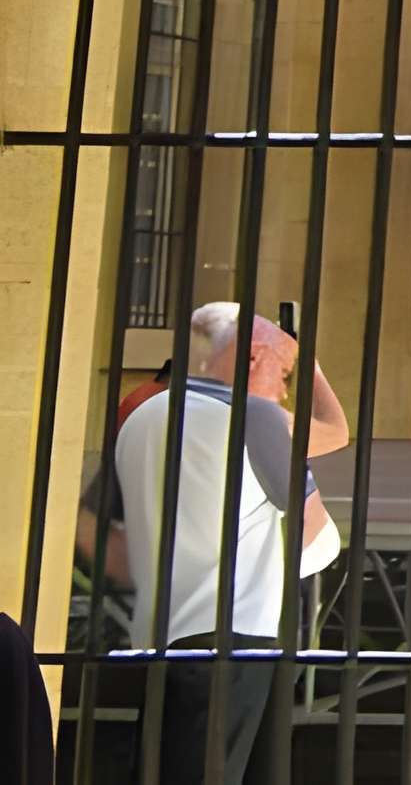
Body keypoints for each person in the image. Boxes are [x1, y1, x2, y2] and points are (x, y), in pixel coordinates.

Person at [80, 304, 347, 782]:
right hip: (236, 635)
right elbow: (318, 537)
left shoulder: (141, 411)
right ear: (250, 360)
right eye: (283, 373)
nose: (285, 391)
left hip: (163, 635)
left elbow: (91, 528)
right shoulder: (253, 420)